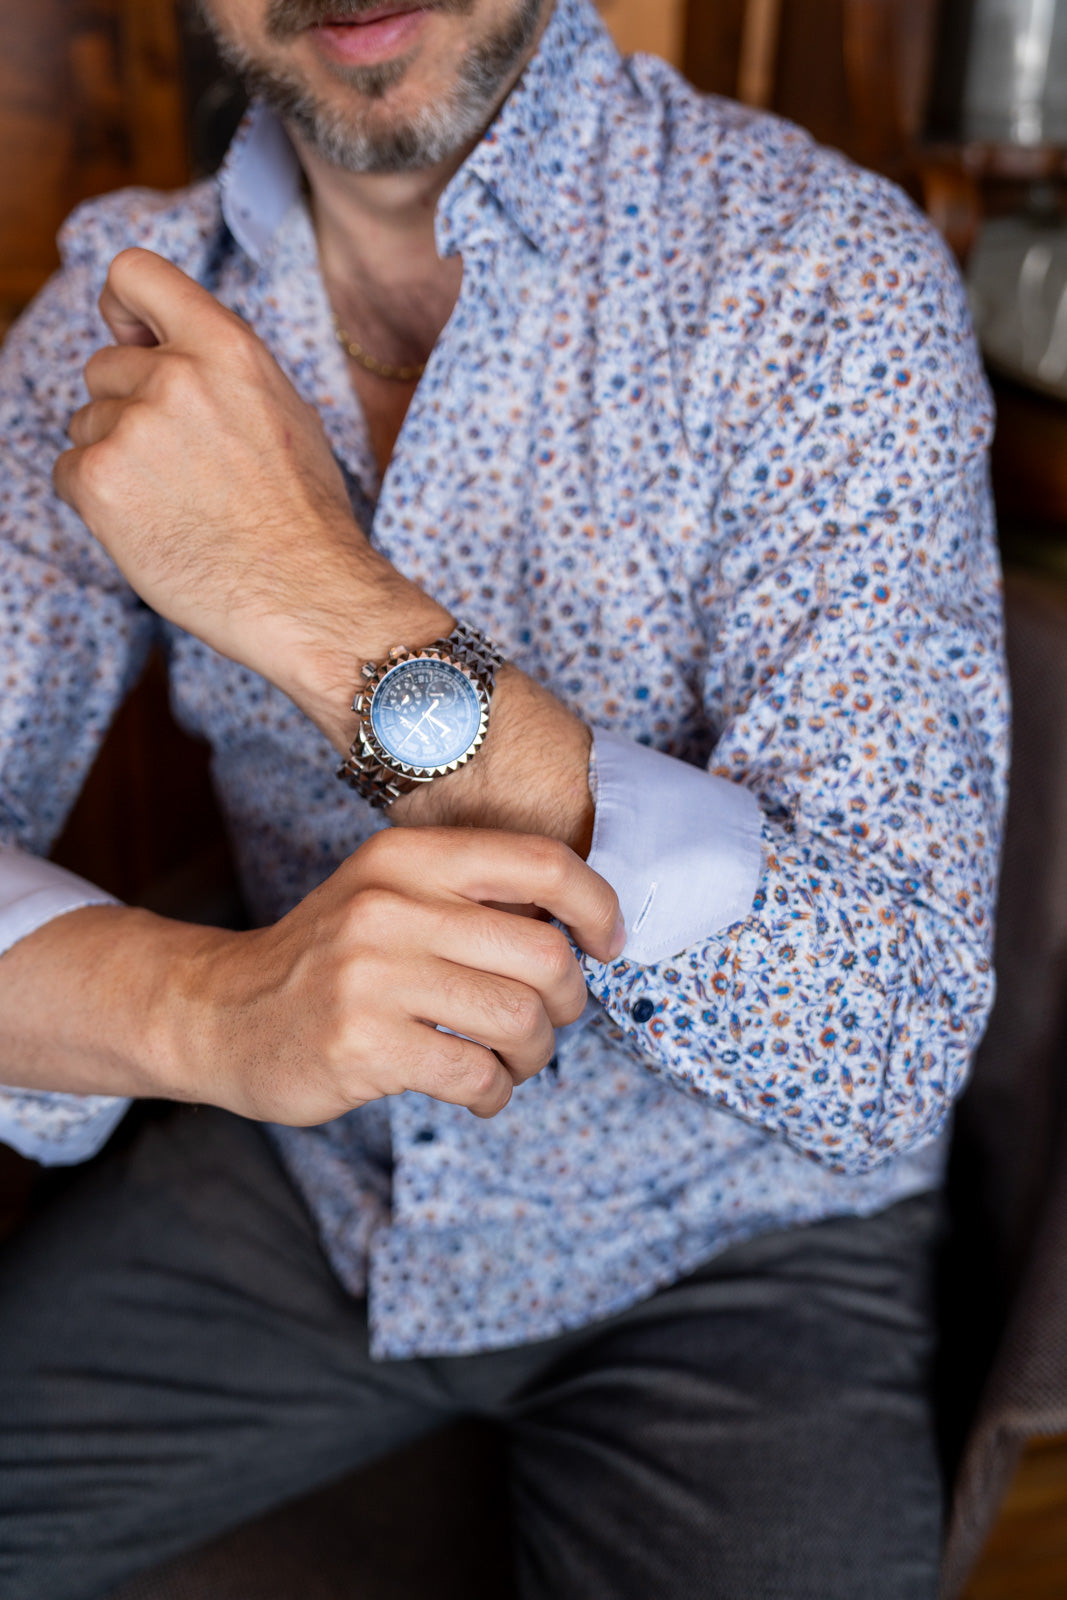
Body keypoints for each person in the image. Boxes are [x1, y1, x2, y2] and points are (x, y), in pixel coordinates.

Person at [0, 0, 1007, 1595]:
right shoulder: (111, 324)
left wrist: (317, 606)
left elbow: (886, 1038)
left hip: (732, 1236)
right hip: (300, 1184)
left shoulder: (822, 271)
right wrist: (210, 1013)